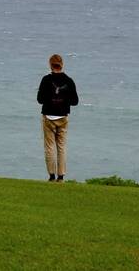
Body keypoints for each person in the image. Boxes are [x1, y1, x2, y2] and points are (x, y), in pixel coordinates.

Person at [37, 53, 79, 182]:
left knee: (49, 147)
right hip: (62, 117)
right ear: (62, 65)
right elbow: (75, 101)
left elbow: (40, 100)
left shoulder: (46, 80)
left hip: (48, 117)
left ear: (50, 65)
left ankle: (51, 176)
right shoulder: (69, 80)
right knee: (61, 147)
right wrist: (63, 99)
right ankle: (61, 176)